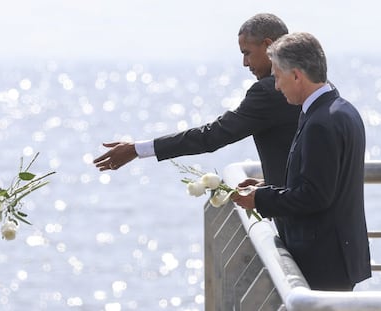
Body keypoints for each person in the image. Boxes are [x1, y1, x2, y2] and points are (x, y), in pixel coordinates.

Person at [94, 13, 301, 191]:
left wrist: (137, 150)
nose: (244, 63)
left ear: (268, 45)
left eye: (247, 53)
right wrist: (269, 184)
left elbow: (211, 136)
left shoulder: (268, 91)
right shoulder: (312, 81)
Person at [232, 32, 371, 291]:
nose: (275, 86)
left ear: (296, 75)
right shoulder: (343, 110)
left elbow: (315, 196)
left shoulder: (320, 122)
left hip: (323, 261)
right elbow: (326, 180)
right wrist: (267, 187)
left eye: (278, 76)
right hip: (339, 254)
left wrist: (259, 200)